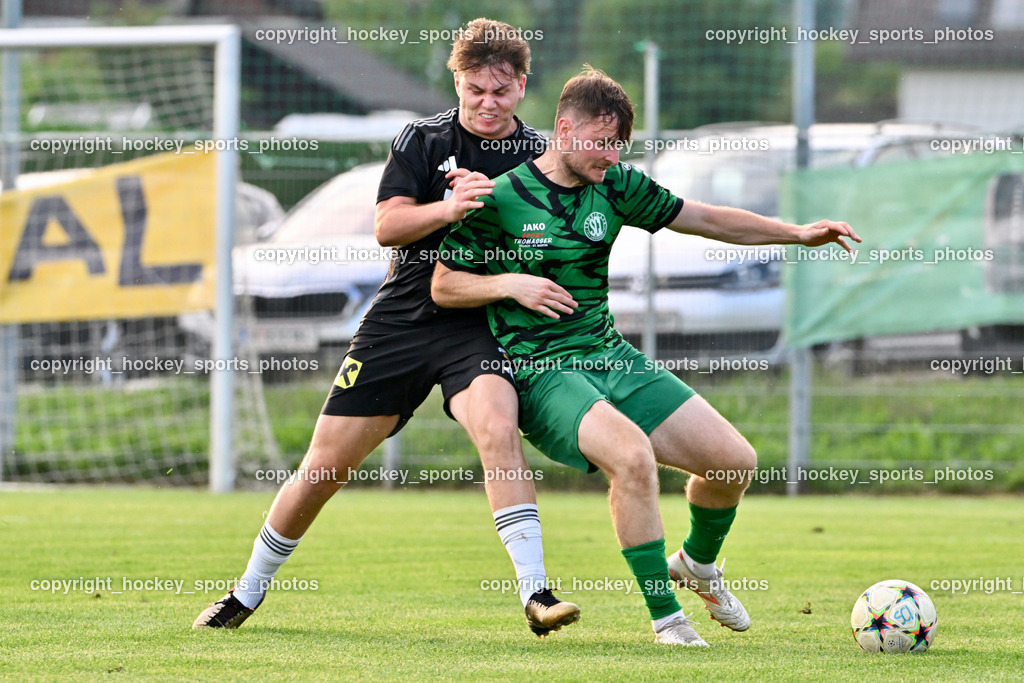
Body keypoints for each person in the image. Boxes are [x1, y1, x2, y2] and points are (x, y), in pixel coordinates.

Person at [432, 66, 860, 646]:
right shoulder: (500, 197)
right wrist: (510, 284)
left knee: (734, 463)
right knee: (632, 457)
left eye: (619, 146)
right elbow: (444, 285)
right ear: (564, 128)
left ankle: (698, 566)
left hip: (608, 353)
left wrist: (796, 233)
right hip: (540, 369)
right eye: (602, 143)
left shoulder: (617, 186)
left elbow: (704, 217)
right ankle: (668, 619)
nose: (611, 156)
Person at [193, 18, 580, 638]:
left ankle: (536, 592)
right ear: (457, 82)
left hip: (476, 324)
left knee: (496, 428)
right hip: (399, 324)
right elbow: (388, 227)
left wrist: (520, 240)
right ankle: (247, 591)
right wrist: (451, 207)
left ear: (522, 86)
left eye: (500, 91)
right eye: (474, 89)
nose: (486, 103)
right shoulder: (422, 141)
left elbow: (553, 241)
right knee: (323, 470)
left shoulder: (539, 155)